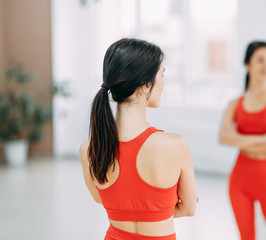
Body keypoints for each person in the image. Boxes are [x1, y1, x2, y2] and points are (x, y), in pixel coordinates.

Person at [79, 38, 197, 240]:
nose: (164, 84)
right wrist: (160, 210)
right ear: (145, 85)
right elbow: (188, 208)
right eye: (162, 75)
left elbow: (101, 199)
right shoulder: (174, 145)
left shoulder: (90, 147)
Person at [219, 41, 266, 240]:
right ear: (247, 64)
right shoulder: (235, 104)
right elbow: (224, 138)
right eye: (260, 60)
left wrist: (240, 140)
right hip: (240, 179)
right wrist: (263, 137)